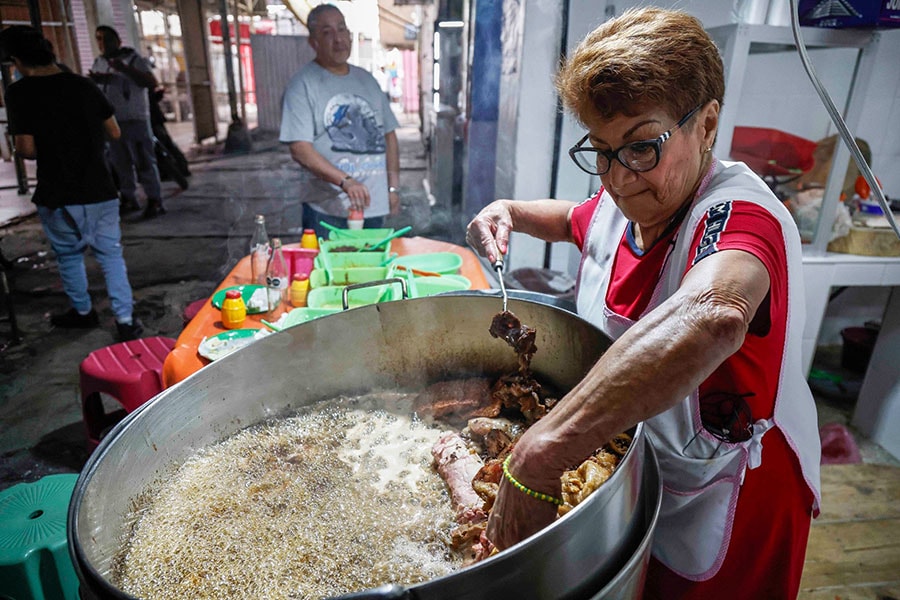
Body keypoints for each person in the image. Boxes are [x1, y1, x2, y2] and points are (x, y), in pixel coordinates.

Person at [465, 8, 820, 599]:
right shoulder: (623, 203)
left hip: (730, 496)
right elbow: (573, 219)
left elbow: (715, 314)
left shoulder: (739, 214)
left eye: (642, 147)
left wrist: (539, 452)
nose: (619, 179)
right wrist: (511, 211)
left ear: (706, 124)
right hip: (642, 477)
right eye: (601, 152)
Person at [0, 25, 144, 341]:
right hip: (100, 189)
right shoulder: (84, 85)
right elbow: (115, 132)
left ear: (17, 60)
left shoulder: (19, 92)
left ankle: (83, 312)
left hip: (58, 193)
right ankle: (125, 319)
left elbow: (26, 149)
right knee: (110, 256)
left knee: (69, 256)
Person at [279, 3, 401, 240]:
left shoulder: (367, 80)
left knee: (374, 274)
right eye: (327, 32)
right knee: (331, 275)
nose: (338, 39)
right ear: (313, 41)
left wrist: (393, 189)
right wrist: (346, 181)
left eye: (342, 29)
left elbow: (389, 136)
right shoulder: (302, 84)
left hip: (373, 208)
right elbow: (300, 149)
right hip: (328, 212)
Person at [90, 25, 165, 219]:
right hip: (113, 122)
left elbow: (150, 82)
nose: (102, 43)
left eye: (106, 39)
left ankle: (154, 199)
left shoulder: (133, 59)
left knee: (143, 161)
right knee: (120, 162)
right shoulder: (99, 62)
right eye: (98, 39)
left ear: (117, 41)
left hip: (135, 119)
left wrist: (125, 70)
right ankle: (129, 197)